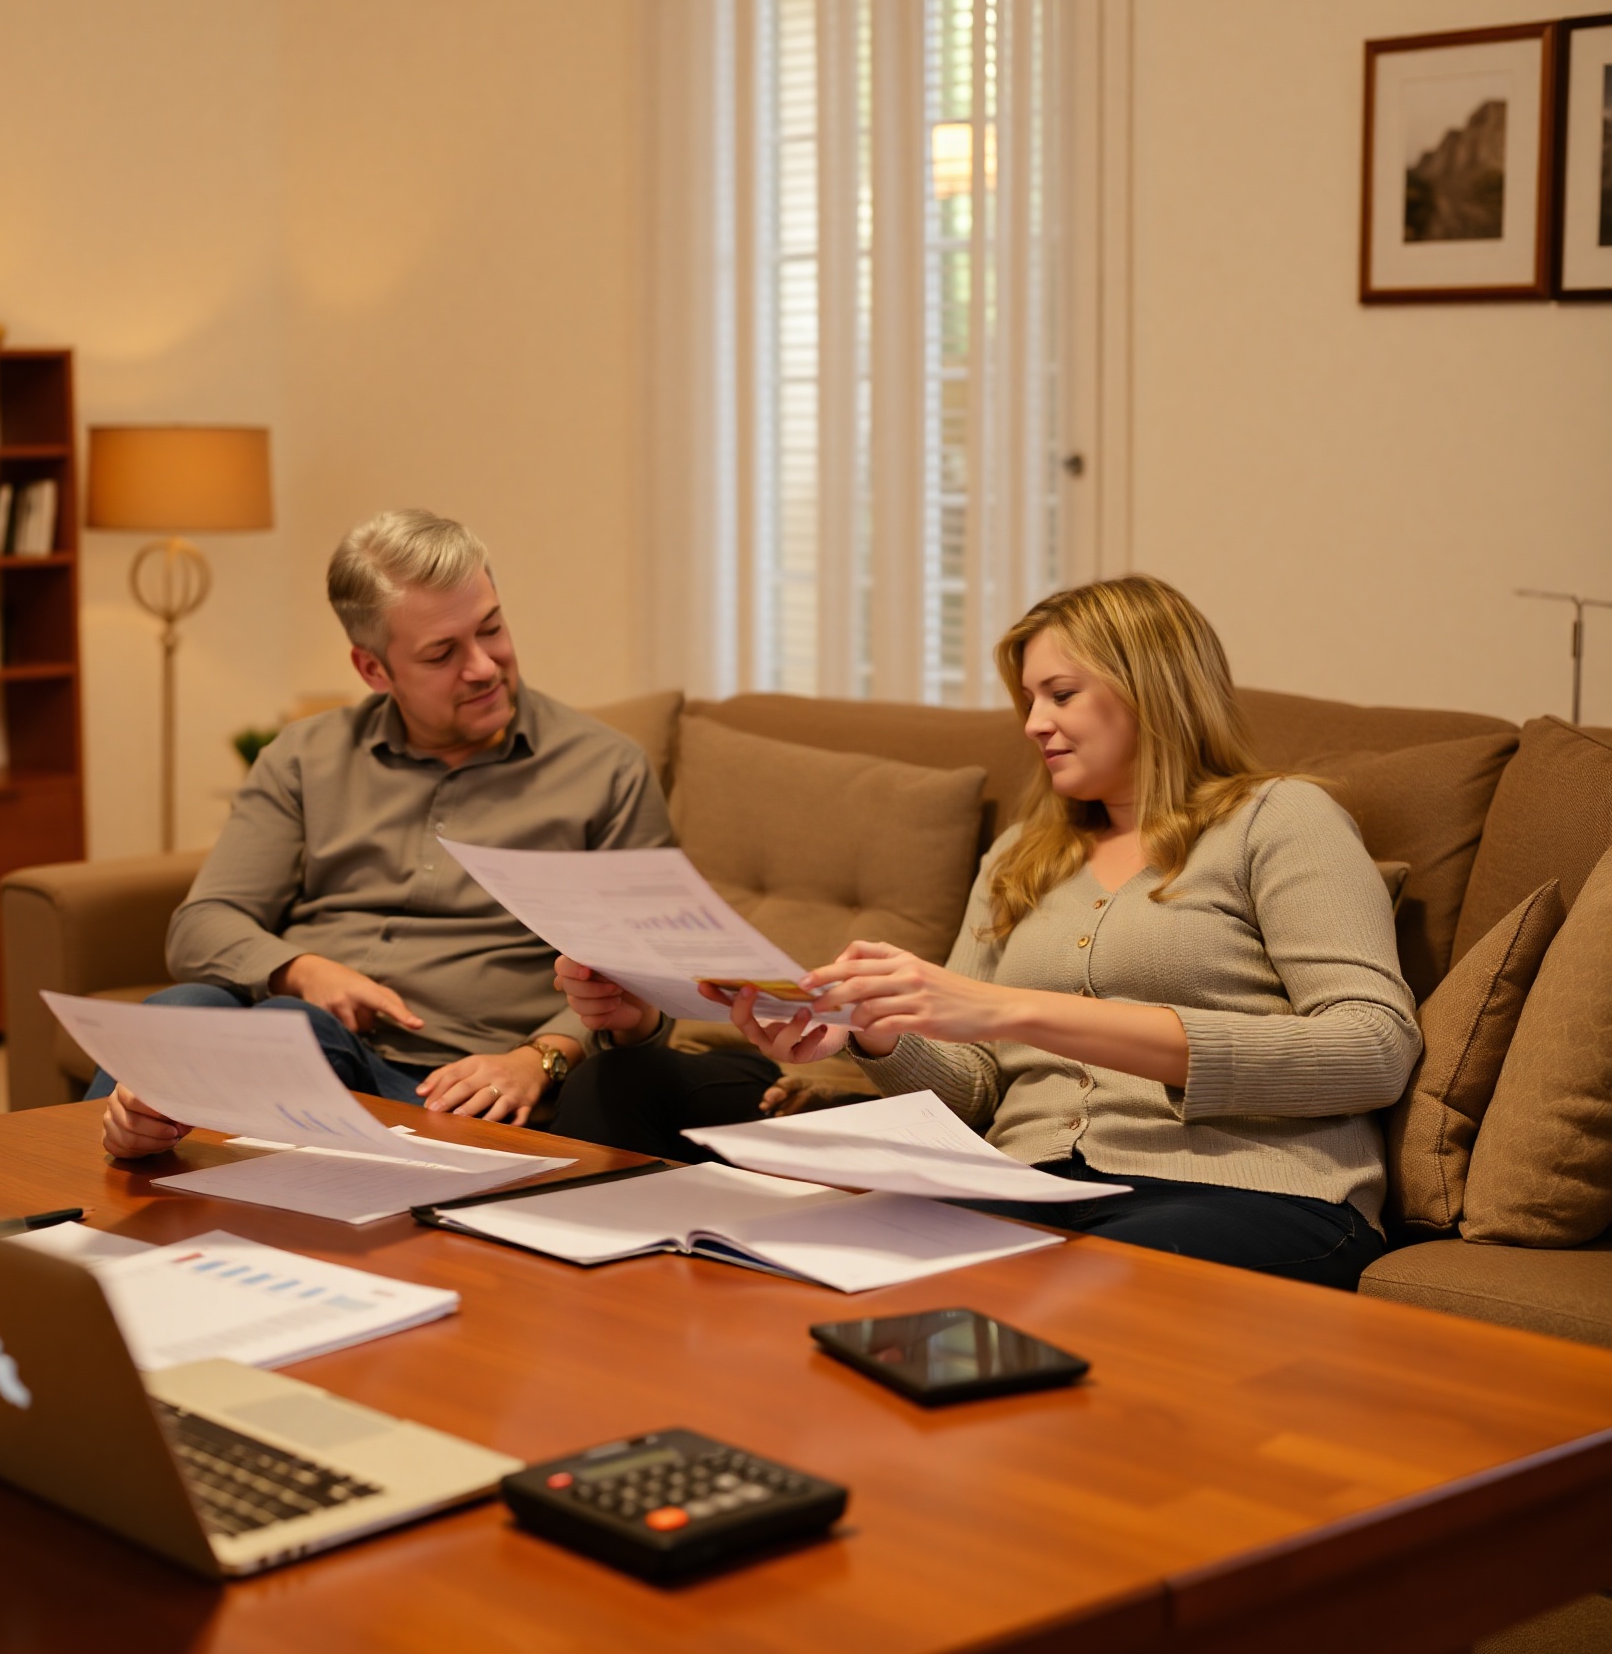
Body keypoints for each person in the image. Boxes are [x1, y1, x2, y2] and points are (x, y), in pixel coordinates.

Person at [548, 576, 1418, 1290]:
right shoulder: (1022, 855)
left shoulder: (1279, 819)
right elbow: (972, 1092)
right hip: (1026, 1182)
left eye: (1061, 694)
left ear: (1153, 686)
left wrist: (1012, 1008)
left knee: (1076, 1292)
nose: (1035, 723)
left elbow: (1374, 1049)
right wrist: (880, 1037)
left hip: (1241, 1189)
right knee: (792, 1262)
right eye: (1029, 699)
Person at [97, 508, 672, 1159]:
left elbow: (647, 975)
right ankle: (72, 1214)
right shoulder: (306, 757)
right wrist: (300, 970)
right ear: (373, 670)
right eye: (442, 653)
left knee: (288, 1031)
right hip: (299, 1029)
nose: (484, 666)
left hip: (441, 1082)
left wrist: (537, 1060)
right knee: (180, 1009)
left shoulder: (604, 770)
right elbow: (201, 925)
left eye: (492, 628)